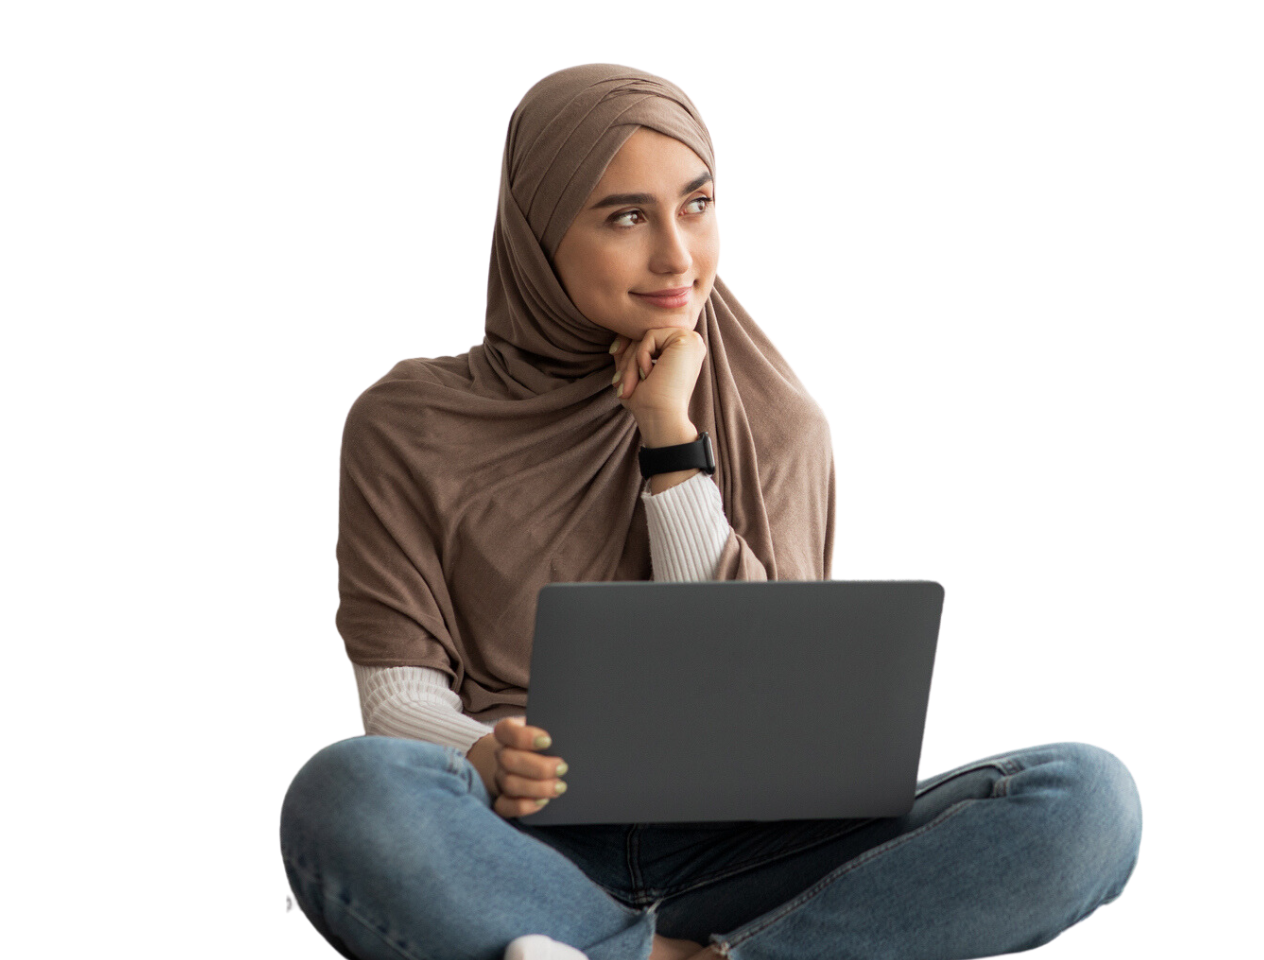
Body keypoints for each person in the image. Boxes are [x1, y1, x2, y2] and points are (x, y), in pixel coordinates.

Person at [279, 64, 1142, 960]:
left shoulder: (773, 419)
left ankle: (630, 955)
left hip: (753, 852)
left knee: (1087, 802)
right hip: (521, 844)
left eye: (697, 205)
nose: (677, 257)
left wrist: (669, 442)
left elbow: (789, 711)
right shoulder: (411, 424)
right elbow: (396, 698)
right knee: (345, 794)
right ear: (538, 232)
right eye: (625, 216)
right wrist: (480, 756)